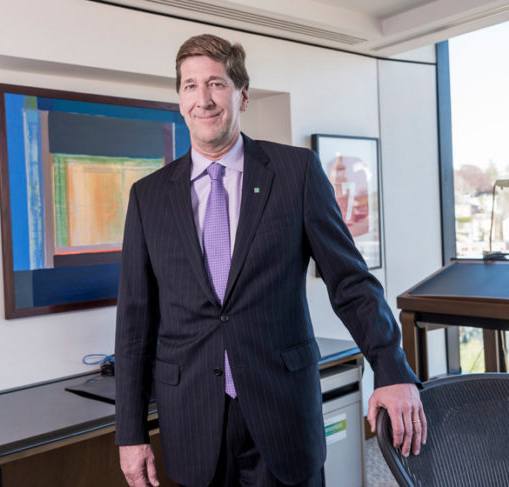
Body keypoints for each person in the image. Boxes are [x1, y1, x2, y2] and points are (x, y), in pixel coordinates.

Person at [115, 33, 426, 487]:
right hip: (193, 421)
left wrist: (391, 366)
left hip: (282, 413)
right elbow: (134, 322)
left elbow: (351, 282)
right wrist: (130, 431)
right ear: (179, 100)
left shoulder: (294, 172)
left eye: (216, 84)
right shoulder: (148, 197)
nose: (203, 99)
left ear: (242, 94)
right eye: (189, 86)